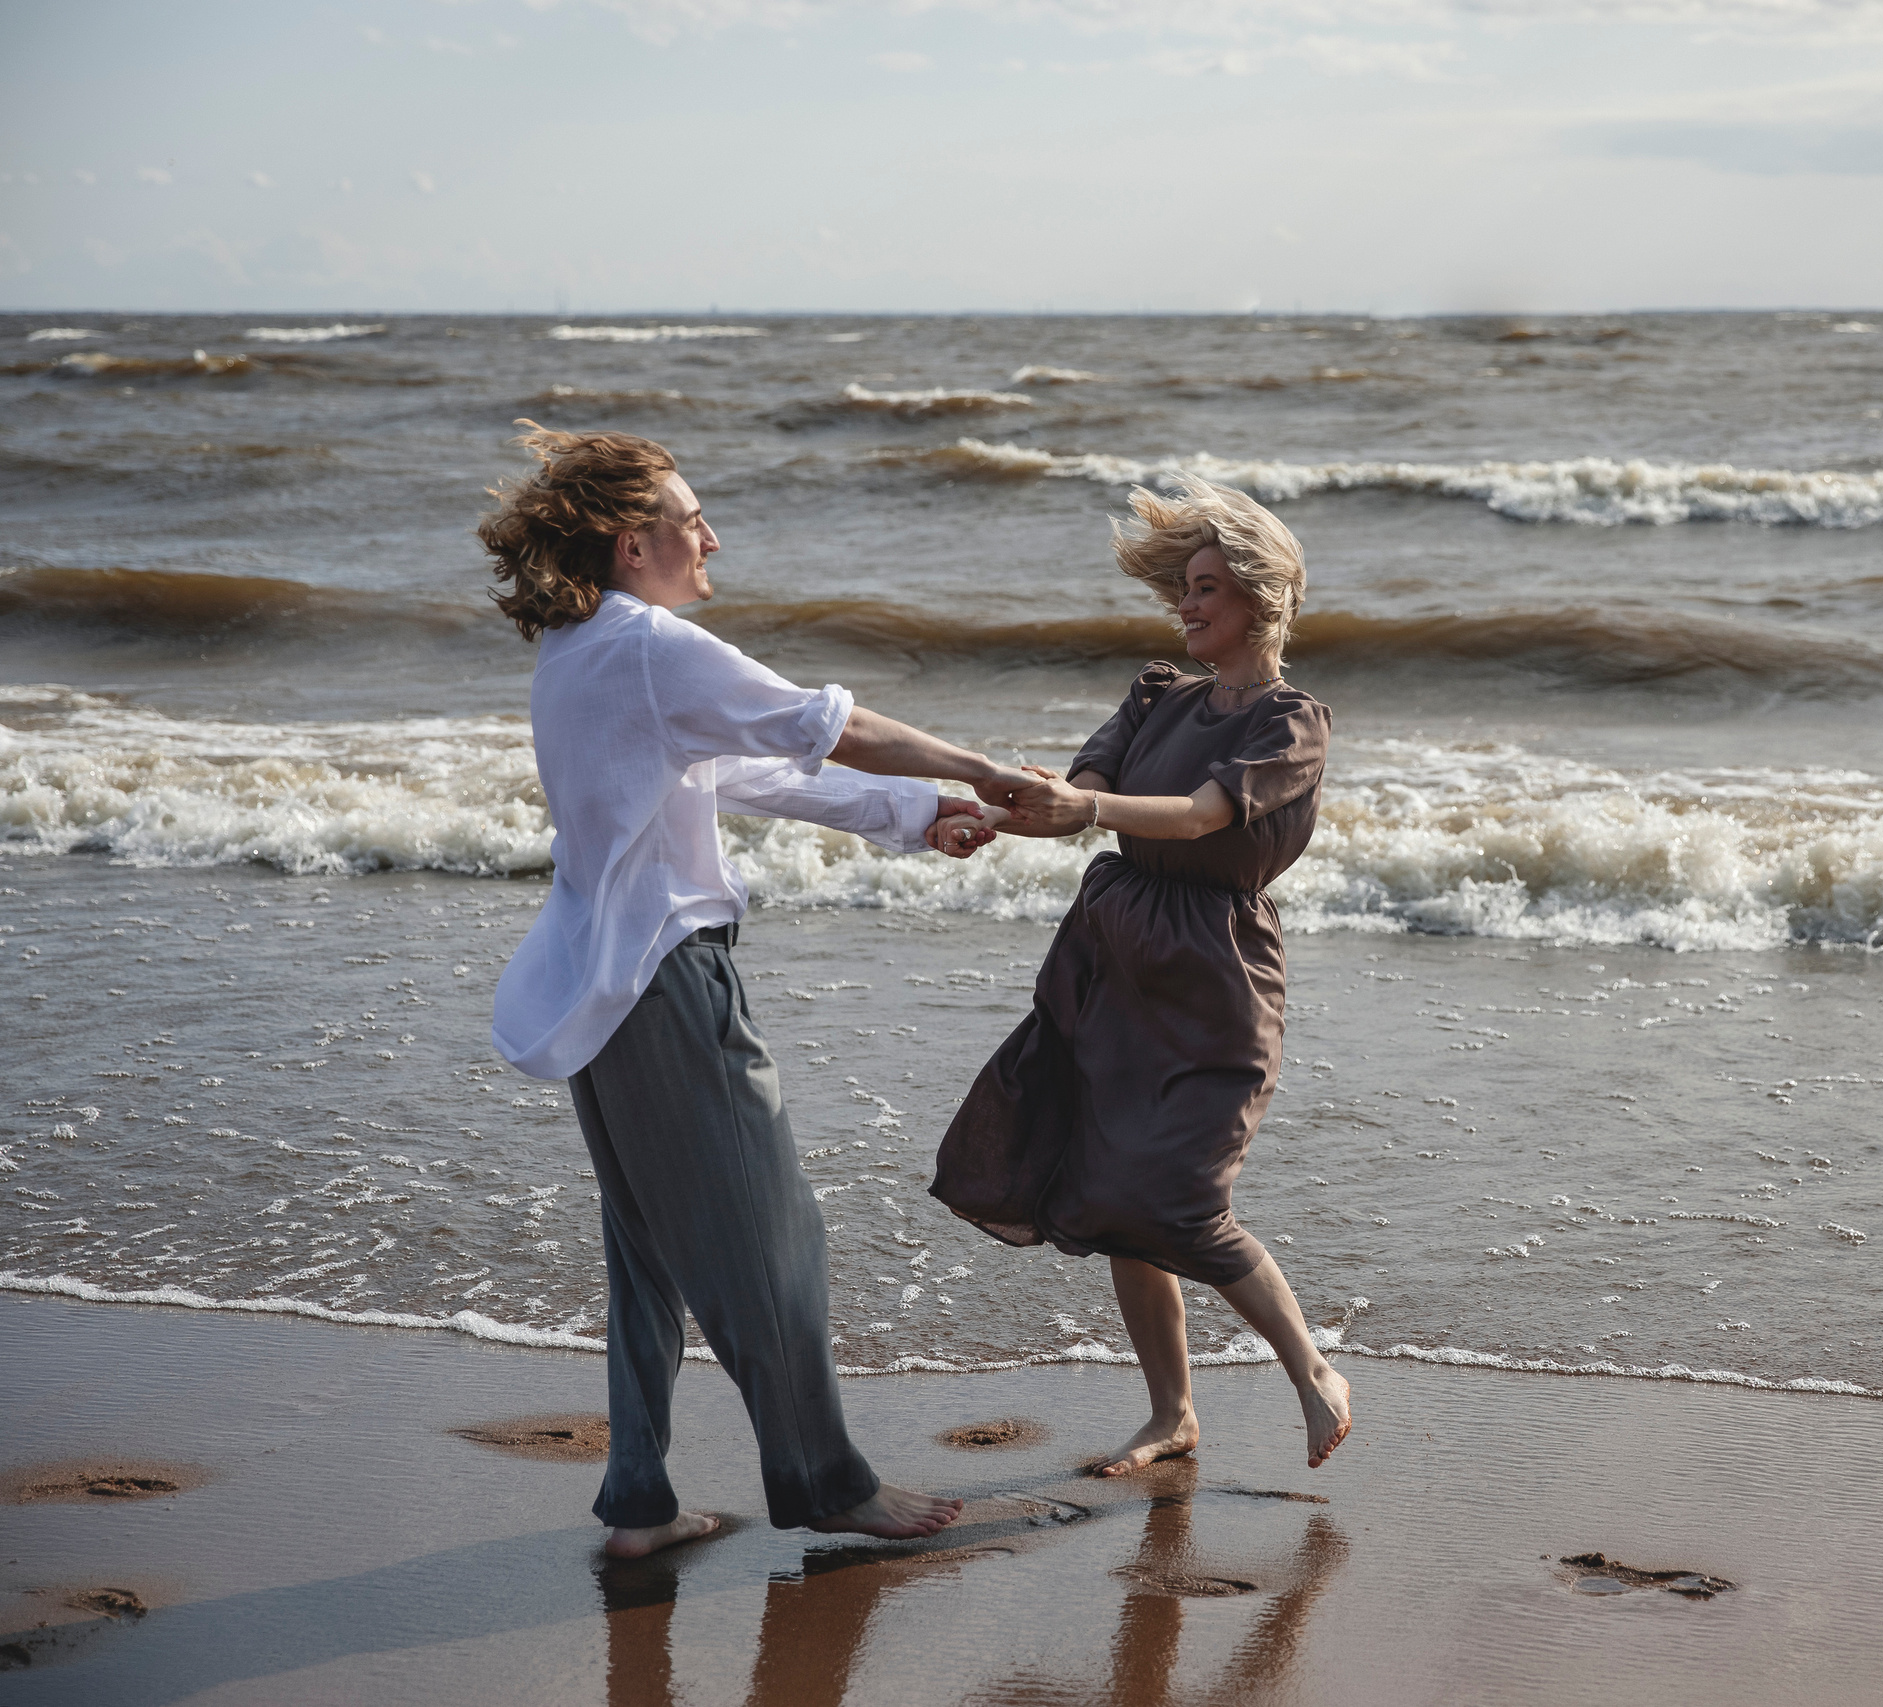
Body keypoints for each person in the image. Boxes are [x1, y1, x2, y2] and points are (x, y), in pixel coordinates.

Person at [481, 422, 1019, 1559]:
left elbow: (756, 771)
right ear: (635, 544)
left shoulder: (582, 649)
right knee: (777, 1242)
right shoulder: (647, 644)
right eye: (690, 520)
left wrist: (920, 821)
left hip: (603, 988)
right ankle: (828, 1483)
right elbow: (830, 727)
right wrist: (977, 770)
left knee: (647, 1257)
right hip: (669, 987)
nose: (711, 536)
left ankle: (639, 1503)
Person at [933, 474, 1352, 1476]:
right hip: (1109, 956)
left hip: (1213, 973)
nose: (1186, 601)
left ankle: (1311, 1373)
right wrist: (1008, 809)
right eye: (1184, 585)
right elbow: (1083, 788)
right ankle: (1172, 1416)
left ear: (1260, 595)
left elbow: (1209, 816)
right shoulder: (1158, 692)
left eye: (1207, 585)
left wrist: (1091, 816)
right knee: (1116, 1194)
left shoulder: (1290, 722)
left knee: (1182, 1198)